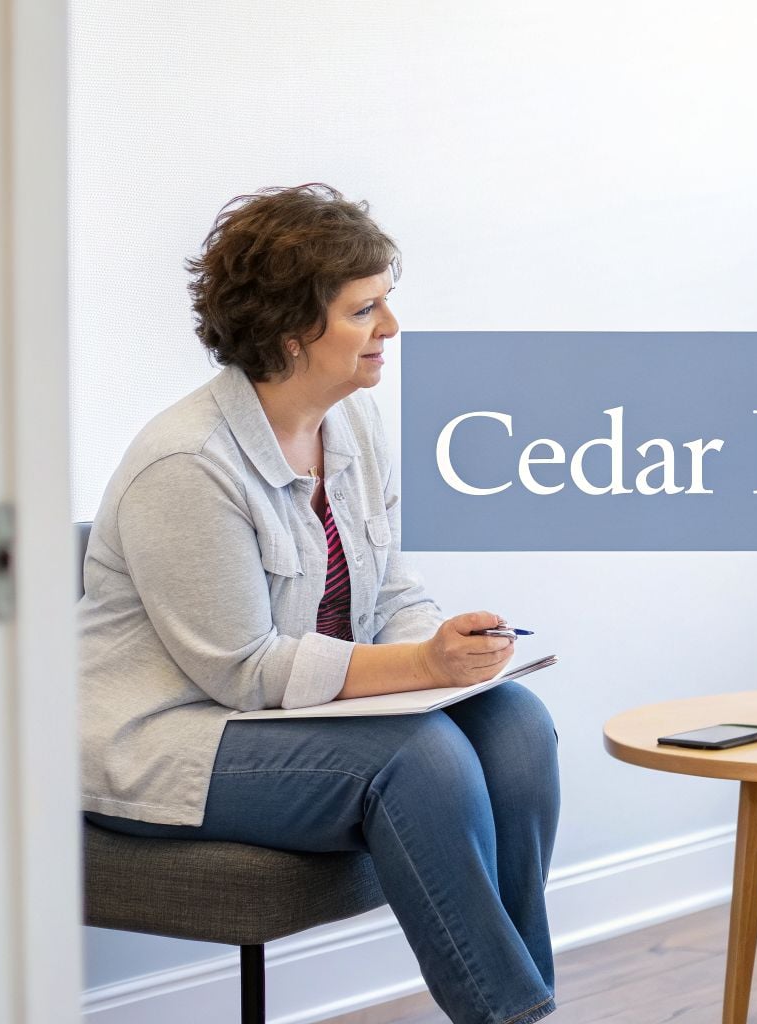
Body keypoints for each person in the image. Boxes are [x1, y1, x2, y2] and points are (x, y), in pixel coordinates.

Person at [79, 184, 559, 1024]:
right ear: (291, 330)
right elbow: (243, 672)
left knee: (513, 724)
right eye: (364, 309)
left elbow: (392, 591)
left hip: (284, 720)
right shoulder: (186, 465)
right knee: (421, 757)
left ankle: (525, 1001)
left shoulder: (355, 426)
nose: (392, 330)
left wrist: (448, 650)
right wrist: (420, 667)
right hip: (173, 734)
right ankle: (509, 1016)